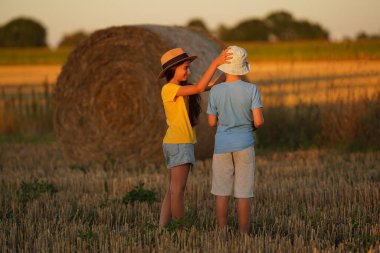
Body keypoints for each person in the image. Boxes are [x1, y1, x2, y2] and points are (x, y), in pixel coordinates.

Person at [158, 47, 232, 227]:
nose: (188, 71)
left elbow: (208, 86)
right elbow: (200, 86)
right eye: (185, 67)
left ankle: (162, 228)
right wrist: (216, 62)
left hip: (176, 142)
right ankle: (180, 231)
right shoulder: (169, 89)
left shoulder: (180, 89)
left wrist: (228, 70)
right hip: (179, 143)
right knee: (178, 191)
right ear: (172, 70)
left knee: (172, 190)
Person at [207, 45, 264, 233]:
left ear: (224, 66)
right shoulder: (251, 89)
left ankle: (222, 231)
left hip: (222, 145)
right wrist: (249, 127)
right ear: (242, 67)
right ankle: (243, 234)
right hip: (245, 144)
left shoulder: (215, 91)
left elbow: (211, 122)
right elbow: (259, 121)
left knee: (222, 192)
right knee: (243, 193)